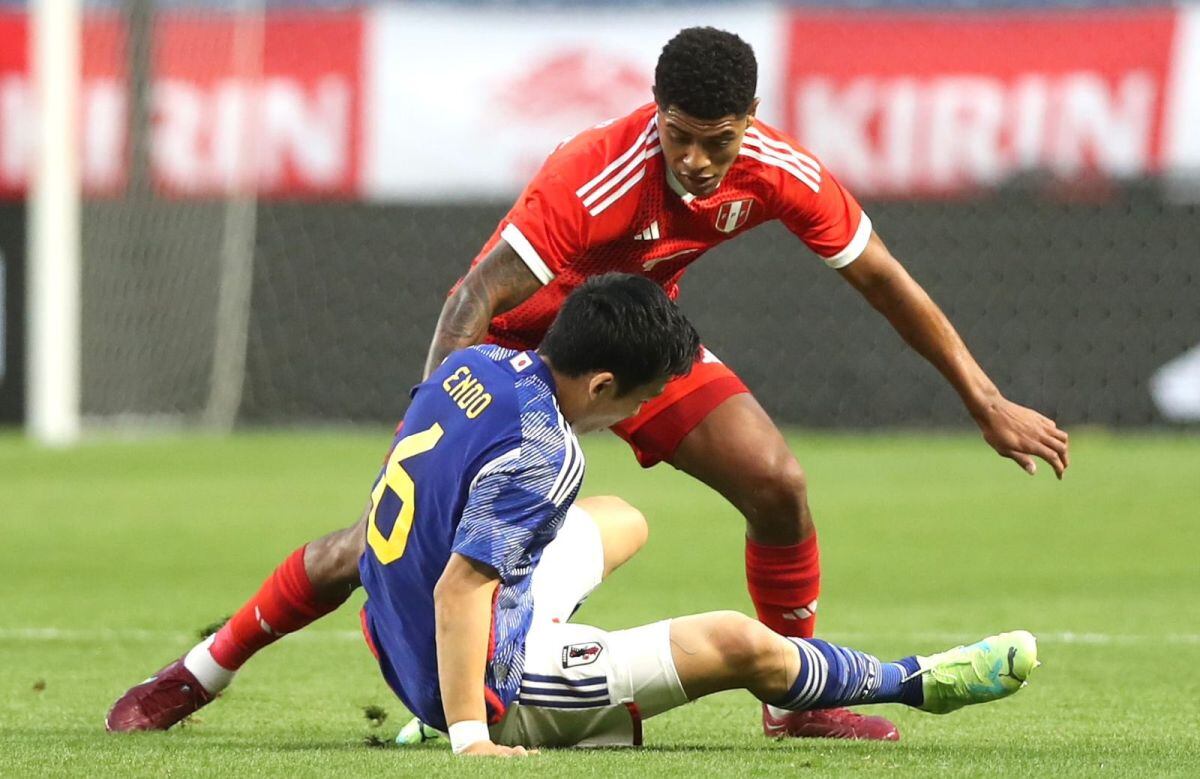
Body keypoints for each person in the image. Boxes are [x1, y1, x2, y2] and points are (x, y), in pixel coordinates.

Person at [106, 27, 1069, 741]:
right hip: (524, 358)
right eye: (680, 135)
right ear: (657, 115)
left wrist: (981, 397)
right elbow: (477, 294)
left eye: (717, 140)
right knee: (376, 546)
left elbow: (883, 279)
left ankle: (795, 707)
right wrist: (427, 428)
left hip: (633, 348)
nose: (696, 160)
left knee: (777, 483)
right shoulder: (592, 174)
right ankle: (197, 673)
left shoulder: (780, 173)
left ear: (749, 125)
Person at [107, 275, 1038, 753]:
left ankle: (196, 680)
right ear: (601, 382)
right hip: (479, 676)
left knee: (625, 517)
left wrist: (205, 669)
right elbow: (468, 582)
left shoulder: (476, 367)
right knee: (739, 642)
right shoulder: (549, 454)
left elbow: (355, 550)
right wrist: (472, 737)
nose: (646, 411)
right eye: (642, 396)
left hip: (391, 624)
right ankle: (918, 679)